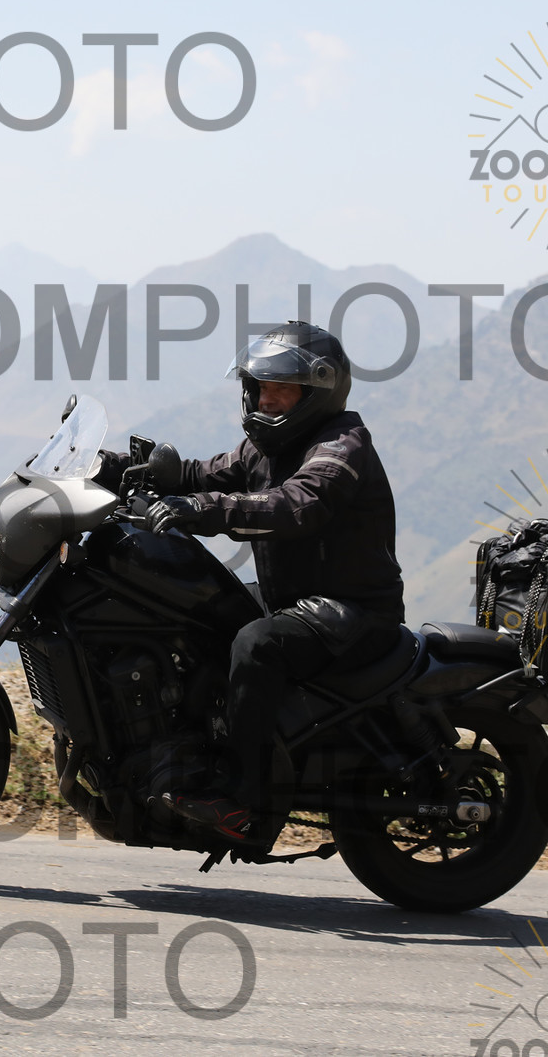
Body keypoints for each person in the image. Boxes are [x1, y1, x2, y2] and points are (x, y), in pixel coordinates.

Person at [138, 320, 405, 844]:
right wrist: (123, 468)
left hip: (353, 611)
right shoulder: (265, 446)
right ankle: (194, 750)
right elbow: (201, 474)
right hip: (295, 599)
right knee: (198, 611)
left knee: (256, 644)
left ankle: (246, 801)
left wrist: (203, 510)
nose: (267, 399)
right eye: (261, 386)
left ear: (316, 393)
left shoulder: (341, 446)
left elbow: (296, 505)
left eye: (282, 389)